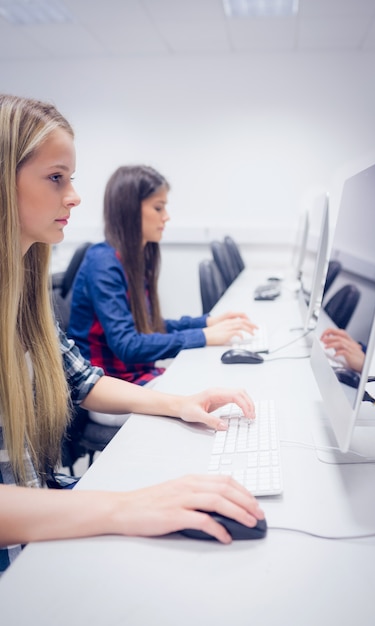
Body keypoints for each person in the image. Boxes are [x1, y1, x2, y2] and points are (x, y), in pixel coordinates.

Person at [0, 94, 264, 576]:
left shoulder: (24, 293)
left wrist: (181, 401)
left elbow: (79, 377)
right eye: (56, 177)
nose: (75, 196)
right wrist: (125, 506)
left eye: (71, 178)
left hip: (46, 514)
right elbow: (126, 345)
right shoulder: (104, 261)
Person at [67, 165, 257, 387]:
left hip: (137, 377)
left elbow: (150, 325)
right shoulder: (103, 262)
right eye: (158, 208)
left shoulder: (135, 257)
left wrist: (207, 323)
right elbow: (128, 345)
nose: (166, 217)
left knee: (213, 380)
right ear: (130, 210)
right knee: (210, 389)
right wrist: (204, 336)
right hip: (109, 387)